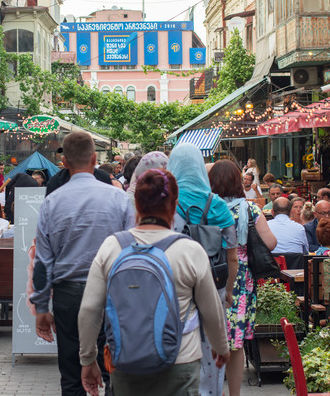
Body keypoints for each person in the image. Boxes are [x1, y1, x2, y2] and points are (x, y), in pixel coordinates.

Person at [78, 169, 230, 396]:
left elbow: (90, 309)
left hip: (126, 361)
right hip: (181, 362)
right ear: (174, 205)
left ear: (136, 204)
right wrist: (221, 347)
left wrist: (88, 359)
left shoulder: (112, 247)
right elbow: (212, 311)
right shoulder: (189, 250)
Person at [31, 132, 135, 395]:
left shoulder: (51, 202)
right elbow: (132, 253)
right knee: (113, 369)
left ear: (64, 162)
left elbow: (44, 261)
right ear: (93, 159)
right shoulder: (119, 199)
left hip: (69, 295)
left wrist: (41, 306)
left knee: (72, 373)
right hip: (112, 293)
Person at [168, 143, 237, 396]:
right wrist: (228, 290)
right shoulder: (218, 204)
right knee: (213, 348)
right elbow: (232, 255)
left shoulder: (167, 201)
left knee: (178, 344)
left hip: (176, 285)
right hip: (214, 281)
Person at [208, 160, 276, 396]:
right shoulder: (250, 209)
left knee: (209, 336)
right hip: (241, 280)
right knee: (236, 342)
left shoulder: (205, 209)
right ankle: (235, 393)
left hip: (211, 274)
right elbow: (271, 243)